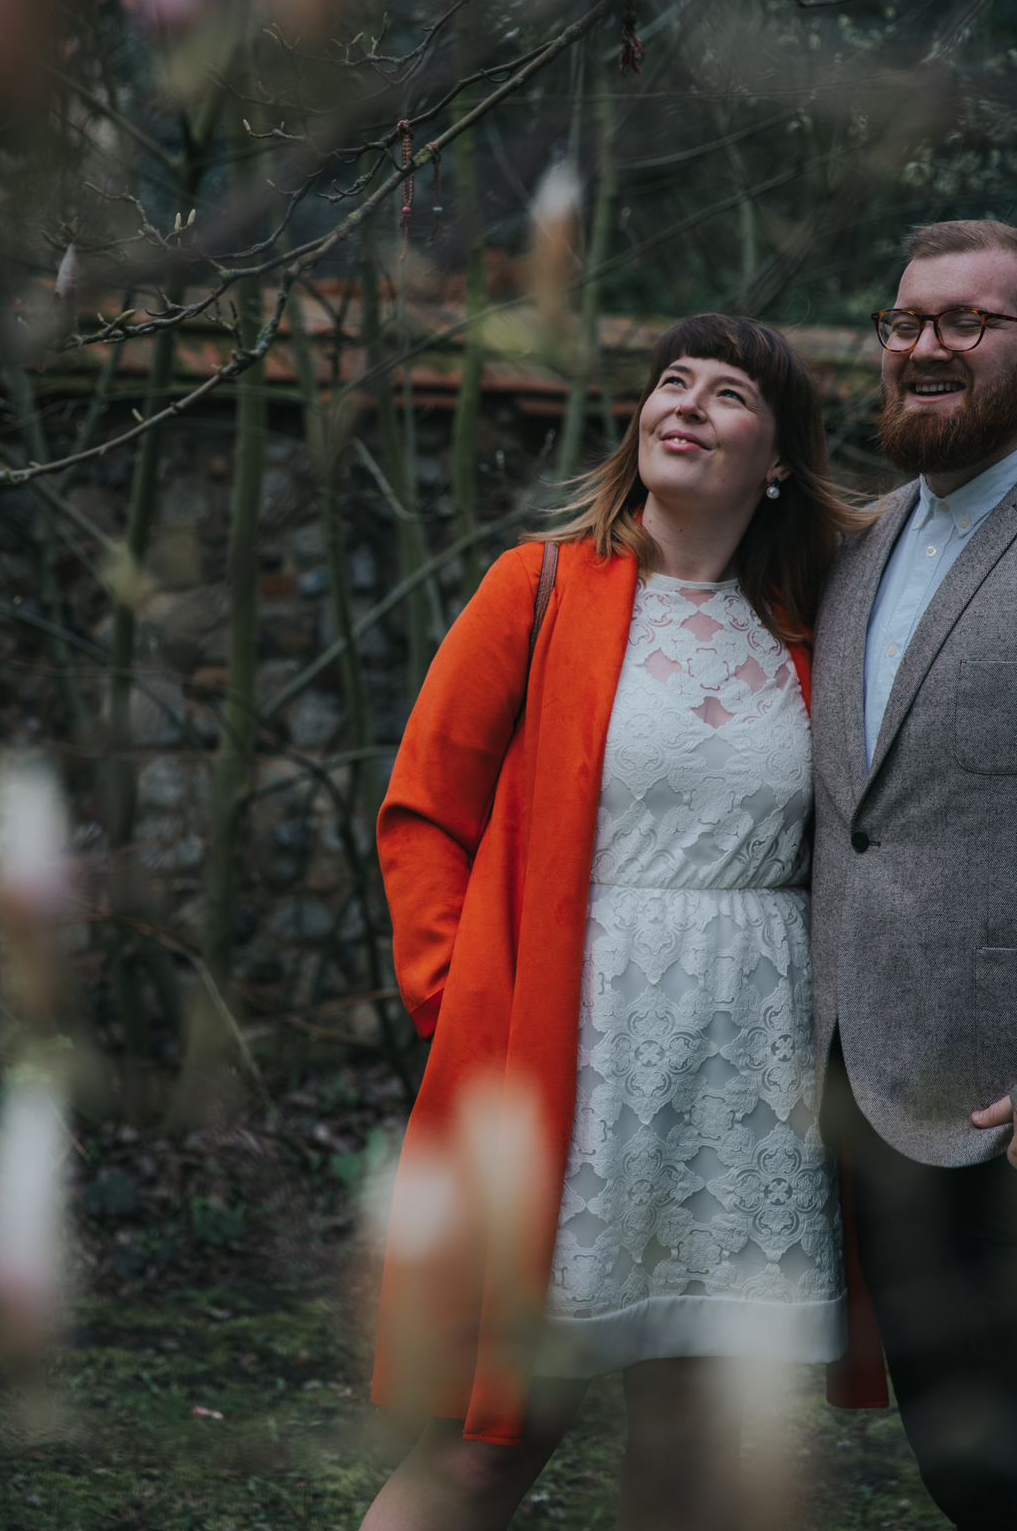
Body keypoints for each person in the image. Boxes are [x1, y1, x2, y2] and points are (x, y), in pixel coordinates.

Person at [363, 314, 869, 1531]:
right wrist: (456, 996)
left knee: (691, 1440)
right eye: (670, 384)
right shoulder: (534, 590)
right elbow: (425, 810)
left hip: (751, 1071)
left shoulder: (821, 620)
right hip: (569, 1056)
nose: (685, 405)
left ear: (782, 455)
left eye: (728, 393)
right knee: (492, 1438)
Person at [810, 219, 1017, 1531]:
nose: (924, 344)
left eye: (966, 322)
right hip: (882, 1099)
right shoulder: (862, 544)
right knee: (968, 1473)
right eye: (907, 320)